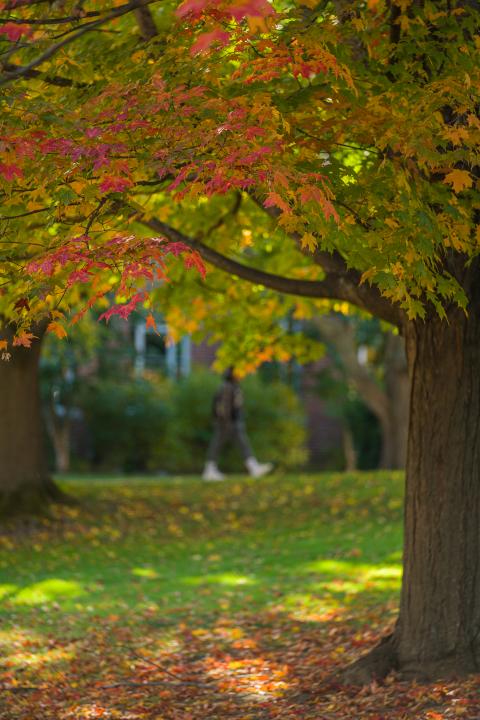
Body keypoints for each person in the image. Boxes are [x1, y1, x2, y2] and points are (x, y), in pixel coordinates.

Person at [202, 367, 273, 481]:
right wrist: (226, 421)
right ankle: (210, 470)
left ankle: (252, 466)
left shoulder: (233, 387)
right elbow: (223, 407)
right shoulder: (227, 387)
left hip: (232, 421)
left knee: (240, 442)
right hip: (227, 422)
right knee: (219, 443)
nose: (242, 376)